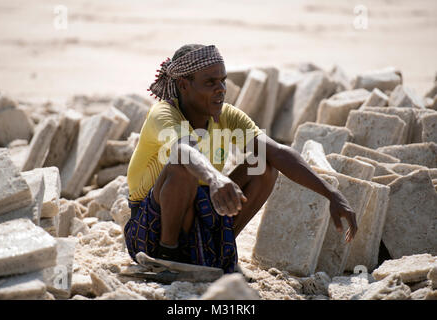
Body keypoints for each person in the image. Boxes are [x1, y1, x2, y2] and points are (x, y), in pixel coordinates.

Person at [125, 44, 357, 273]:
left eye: (222, 81)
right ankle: (167, 258)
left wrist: (331, 193)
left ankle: (219, 249)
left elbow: (277, 152)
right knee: (181, 165)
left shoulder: (226, 116)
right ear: (184, 85)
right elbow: (185, 151)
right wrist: (215, 178)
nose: (221, 89)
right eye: (210, 83)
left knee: (263, 165)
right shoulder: (163, 114)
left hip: (199, 217)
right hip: (151, 230)